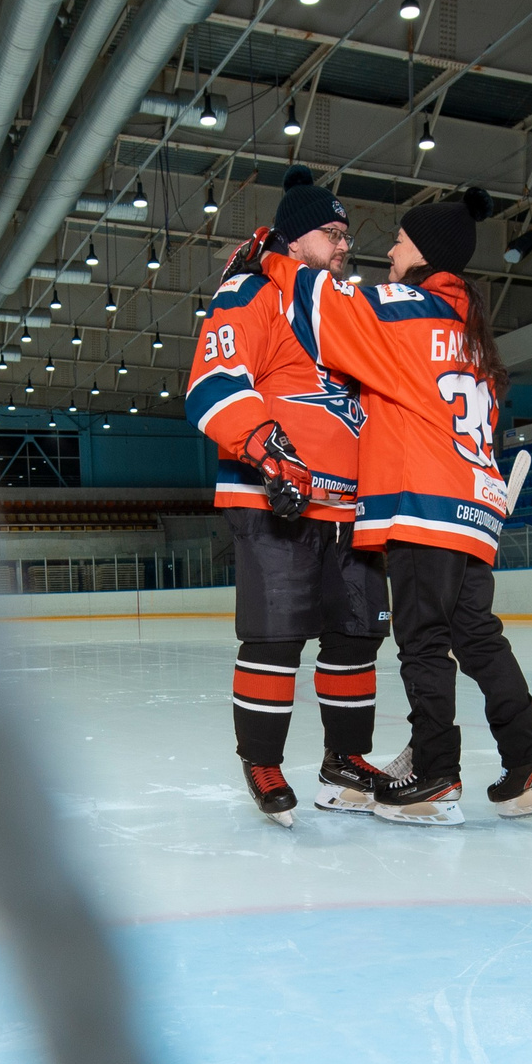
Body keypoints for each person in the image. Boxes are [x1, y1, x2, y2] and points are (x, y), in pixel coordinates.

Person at [304, 186, 532, 826]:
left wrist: (279, 262)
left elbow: (326, 307)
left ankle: (436, 777)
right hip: (474, 510)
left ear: (425, 252)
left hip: (422, 503)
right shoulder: (475, 337)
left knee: (422, 640)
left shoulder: (406, 309)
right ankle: (529, 764)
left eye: (398, 239)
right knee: (477, 638)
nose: (388, 250)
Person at [183, 166, 399, 826]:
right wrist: (271, 452)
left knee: (357, 637)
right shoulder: (252, 292)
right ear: (294, 239)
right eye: (331, 234)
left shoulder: (340, 307)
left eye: (346, 235)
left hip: (350, 511)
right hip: (276, 501)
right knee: (276, 638)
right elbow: (211, 382)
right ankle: (262, 759)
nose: (344, 246)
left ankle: (346, 757)